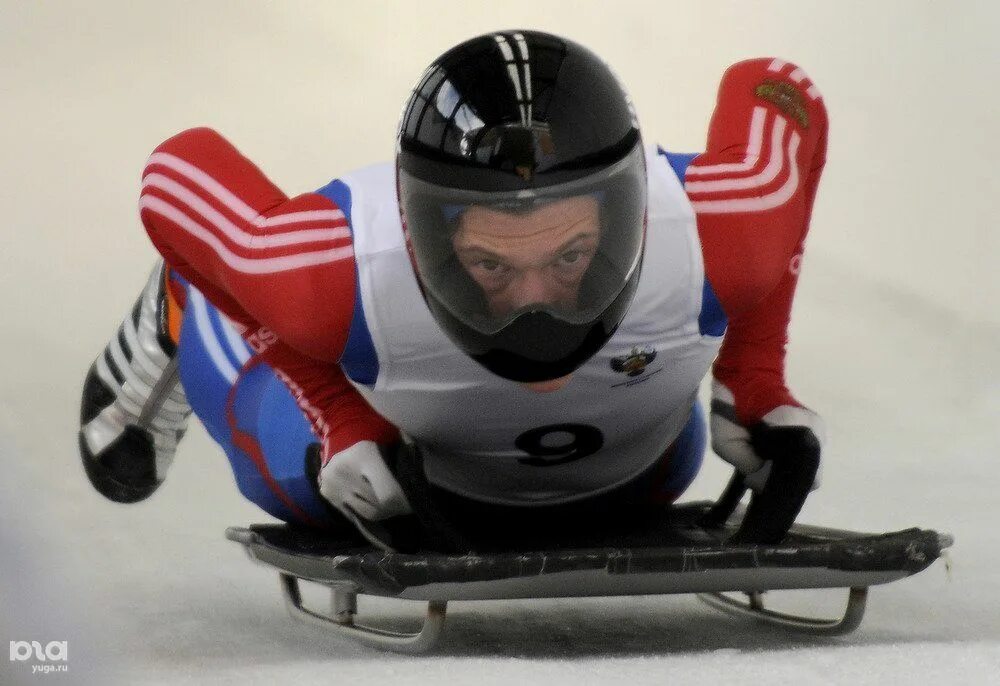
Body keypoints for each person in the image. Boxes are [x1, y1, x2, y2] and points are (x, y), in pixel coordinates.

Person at [78, 30, 828, 551]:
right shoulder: (323, 268)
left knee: (667, 470)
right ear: (422, 241)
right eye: (491, 266)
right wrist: (335, 412)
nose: (536, 306)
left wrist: (754, 379)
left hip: (640, 468)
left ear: (629, 215)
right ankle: (182, 304)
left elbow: (783, 88)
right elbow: (174, 179)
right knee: (309, 477)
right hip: (409, 478)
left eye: (570, 257)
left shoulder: (721, 223)